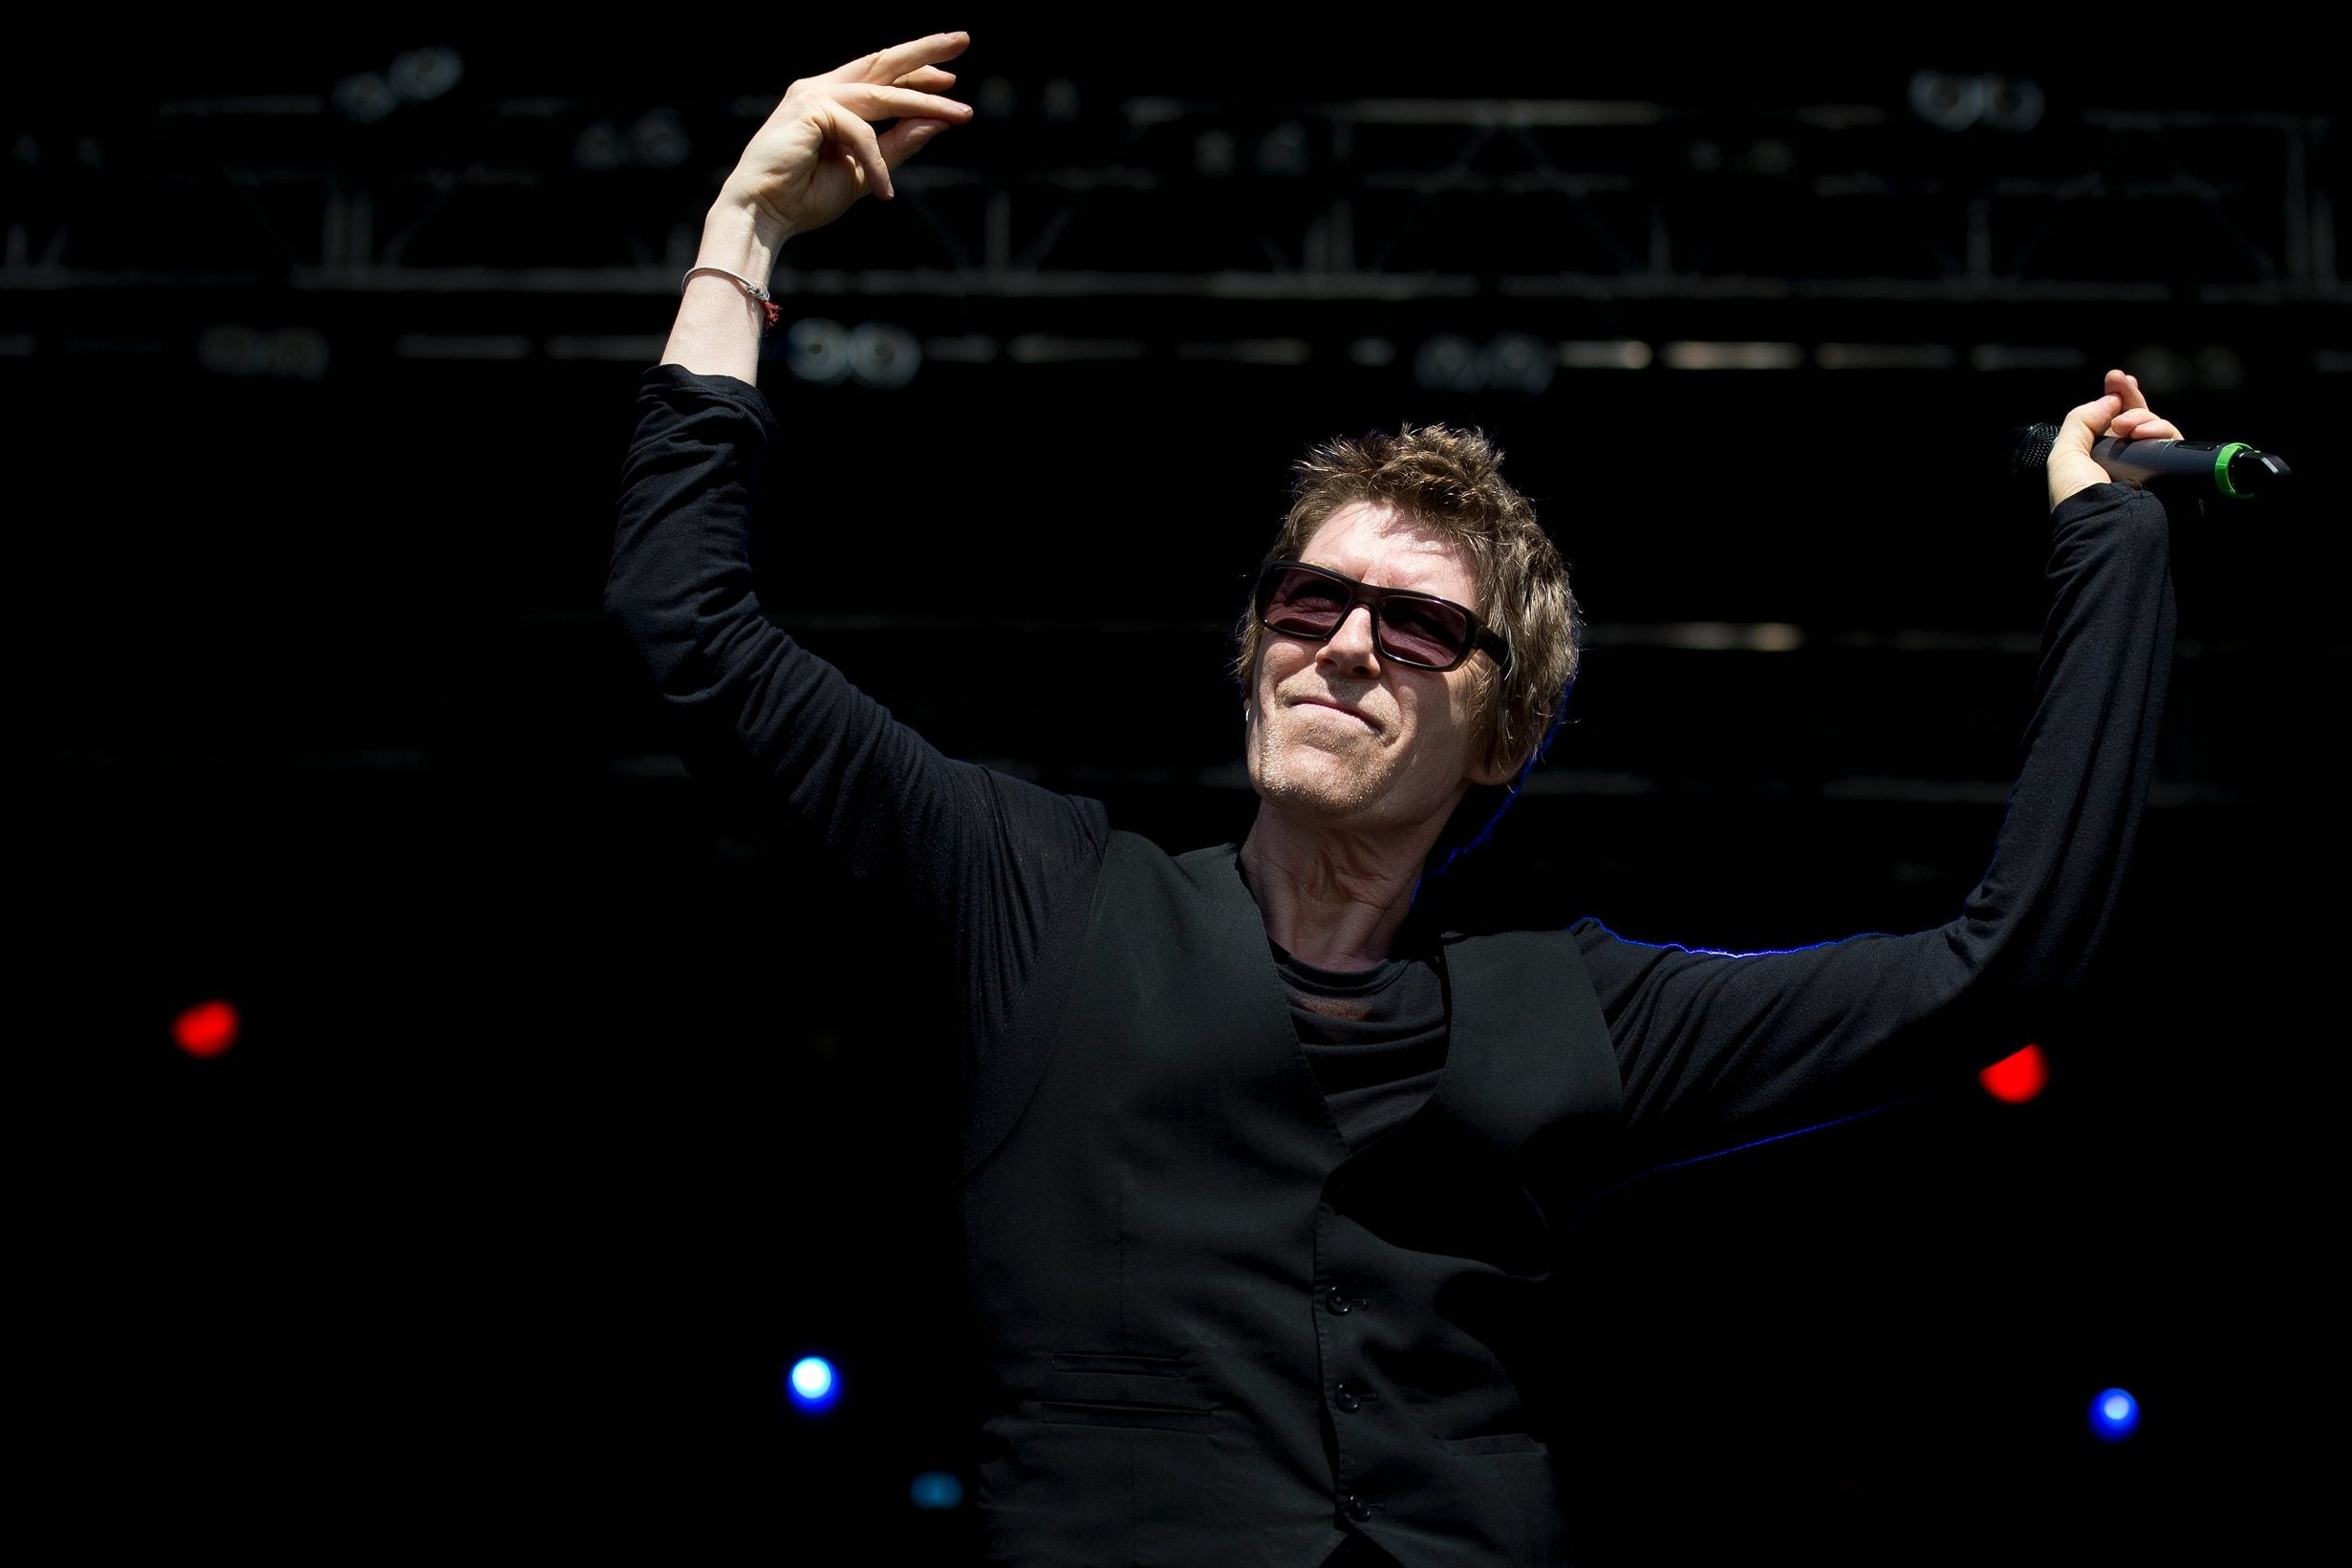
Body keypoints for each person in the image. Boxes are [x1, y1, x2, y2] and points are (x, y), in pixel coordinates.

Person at [605, 31, 2180, 1567]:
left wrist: (2102, 547)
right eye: (1304, 602)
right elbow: (693, 635)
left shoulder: (1578, 1008)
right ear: (1251, 654)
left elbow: (2001, 963)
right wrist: (738, 237)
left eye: (1417, 625)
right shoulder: (1051, 897)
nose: (1344, 641)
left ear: (1502, 734)